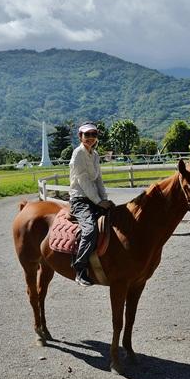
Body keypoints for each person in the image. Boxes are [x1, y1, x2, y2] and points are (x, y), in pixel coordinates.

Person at [68, 122, 114, 287]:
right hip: (80, 198)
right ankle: (80, 269)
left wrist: (105, 199)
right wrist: (99, 201)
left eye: (93, 134)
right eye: (87, 135)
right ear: (80, 136)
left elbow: (98, 179)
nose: (90, 138)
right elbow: (83, 180)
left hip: (94, 197)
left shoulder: (94, 155)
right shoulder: (78, 153)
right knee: (90, 229)